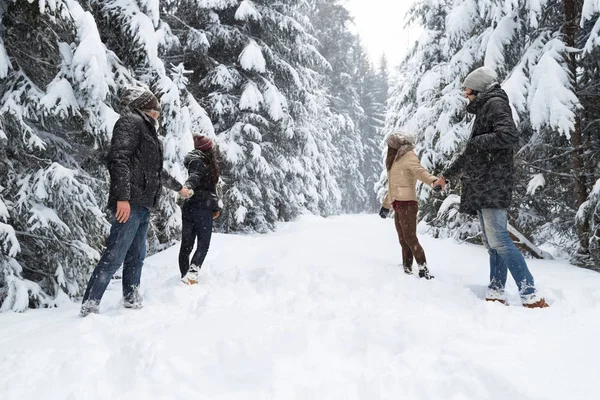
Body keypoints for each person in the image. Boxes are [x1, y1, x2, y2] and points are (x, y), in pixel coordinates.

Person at [433, 66, 548, 308]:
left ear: (478, 88)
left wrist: (477, 141)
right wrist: (445, 176)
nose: (464, 93)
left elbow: (509, 136)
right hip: (484, 184)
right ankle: (496, 289)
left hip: (494, 183)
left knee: (500, 241)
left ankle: (530, 293)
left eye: (467, 88)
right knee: (492, 243)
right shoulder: (485, 108)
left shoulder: (495, 103)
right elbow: (470, 152)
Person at [80, 87, 190, 317]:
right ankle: (90, 305)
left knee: (137, 255)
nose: (159, 111)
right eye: (156, 107)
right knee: (115, 255)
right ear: (148, 107)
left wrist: (180, 188)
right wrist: (122, 198)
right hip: (129, 203)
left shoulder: (150, 133)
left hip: (143, 204)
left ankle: (131, 297)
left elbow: (156, 172)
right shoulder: (130, 122)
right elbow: (118, 159)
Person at [380, 132, 439, 279]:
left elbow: (420, 172)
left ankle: (423, 268)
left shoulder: (408, 156)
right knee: (402, 238)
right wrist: (386, 206)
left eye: (390, 145)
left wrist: (433, 181)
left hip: (408, 204)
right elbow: (392, 187)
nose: (389, 148)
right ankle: (407, 267)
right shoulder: (395, 160)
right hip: (397, 204)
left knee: (410, 237)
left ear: (395, 146)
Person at [179, 135, 222, 285]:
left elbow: (202, 182)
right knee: (203, 243)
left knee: (186, 245)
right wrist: (188, 186)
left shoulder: (196, 160)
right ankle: (190, 275)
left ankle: (185, 275)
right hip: (202, 207)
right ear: (209, 149)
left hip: (190, 206)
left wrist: (215, 207)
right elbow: (194, 177)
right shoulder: (200, 162)